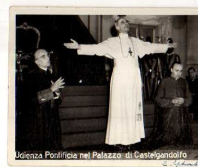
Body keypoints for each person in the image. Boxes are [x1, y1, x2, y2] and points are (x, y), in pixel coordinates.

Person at [63, 15, 177, 146]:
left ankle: (132, 139)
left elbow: (151, 46)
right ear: (117, 26)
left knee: (133, 107)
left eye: (127, 22)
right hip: (120, 80)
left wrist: (166, 46)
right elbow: (96, 49)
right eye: (123, 22)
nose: (126, 24)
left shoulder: (135, 42)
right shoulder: (112, 42)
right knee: (120, 108)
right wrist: (79, 46)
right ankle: (119, 140)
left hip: (134, 79)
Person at [26, 49, 65, 151]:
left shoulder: (50, 75)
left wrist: (56, 94)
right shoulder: (31, 76)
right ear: (36, 62)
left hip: (52, 118)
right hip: (40, 120)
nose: (48, 58)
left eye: (47, 55)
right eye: (43, 56)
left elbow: (58, 101)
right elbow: (32, 100)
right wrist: (51, 90)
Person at [154, 63, 193, 147]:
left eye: (181, 71)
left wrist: (183, 100)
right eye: (176, 70)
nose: (179, 73)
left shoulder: (184, 82)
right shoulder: (164, 82)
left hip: (182, 115)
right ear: (171, 70)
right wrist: (171, 102)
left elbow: (190, 98)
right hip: (168, 114)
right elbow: (157, 99)